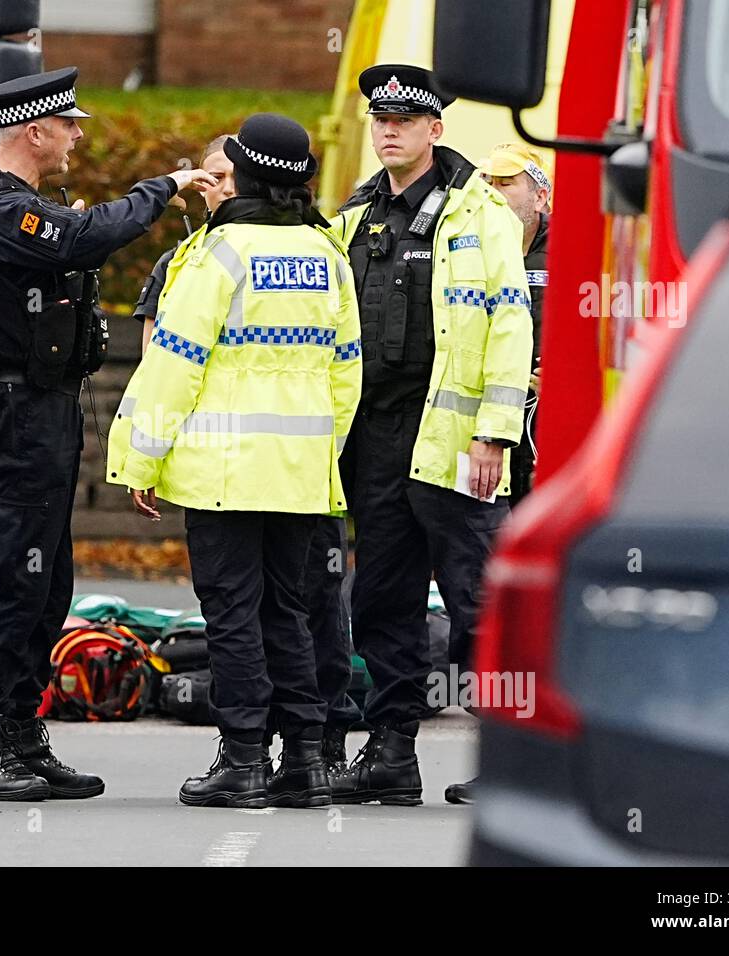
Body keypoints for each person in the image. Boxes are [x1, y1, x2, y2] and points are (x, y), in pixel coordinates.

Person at [0, 67, 216, 801]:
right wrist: (162, 187)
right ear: (34, 130)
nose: (78, 135)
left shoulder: (22, 200)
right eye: (69, 125)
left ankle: (24, 733)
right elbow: (84, 238)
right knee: (13, 576)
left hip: (46, 405)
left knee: (48, 577)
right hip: (15, 408)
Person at [107, 113, 362, 809]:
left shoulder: (217, 255)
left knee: (234, 614)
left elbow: (174, 366)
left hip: (223, 473)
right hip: (302, 473)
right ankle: (306, 759)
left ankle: (244, 759)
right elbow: (348, 372)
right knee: (290, 610)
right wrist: (321, 452)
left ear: (244, 174)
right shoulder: (328, 254)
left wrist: (140, 459)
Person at [328, 65, 533, 806]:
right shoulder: (355, 217)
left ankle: (513, 762)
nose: (387, 130)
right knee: (383, 599)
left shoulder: (482, 217)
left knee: (479, 601)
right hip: (376, 440)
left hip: (453, 442)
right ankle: (390, 753)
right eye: (380, 118)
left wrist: (495, 434)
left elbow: (511, 328)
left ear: (434, 130)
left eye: (404, 121)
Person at [481, 142, 551, 507]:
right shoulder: (467, 248)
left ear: (540, 197)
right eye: (487, 183)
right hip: (483, 414)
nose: (492, 194)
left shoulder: (569, 250)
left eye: (506, 184)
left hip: (543, 414)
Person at [132, 133, 237, 354]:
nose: (228, 189)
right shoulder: (174, 263)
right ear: (200, 185)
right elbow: (151, 358)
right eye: (217, 177)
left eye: (238, 178)